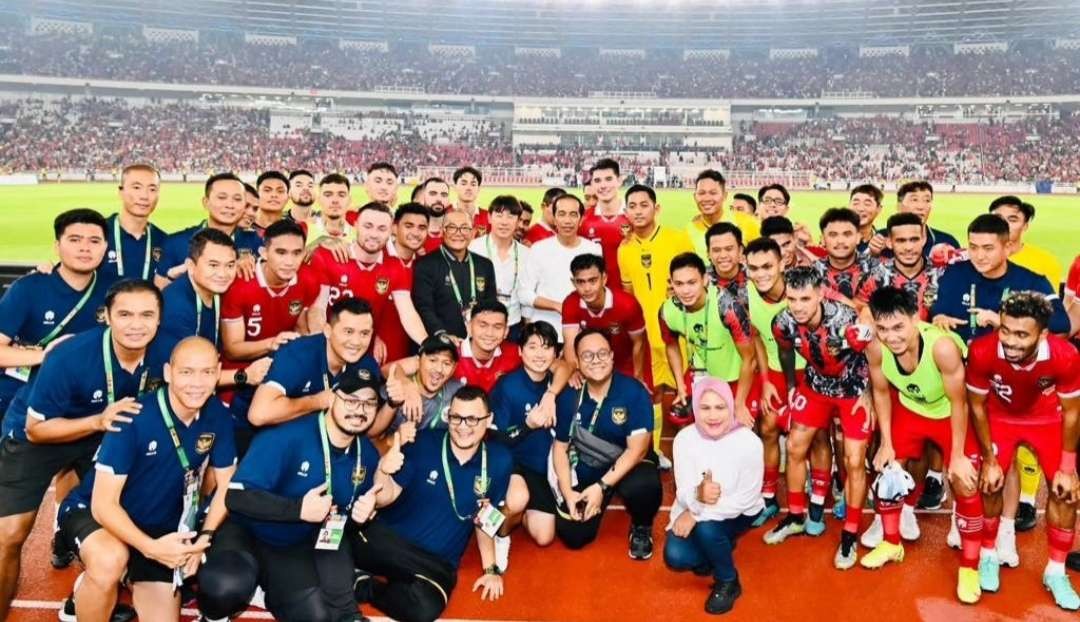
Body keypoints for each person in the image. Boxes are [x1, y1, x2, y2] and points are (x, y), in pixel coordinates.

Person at [0, 280, 160, 620]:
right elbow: (37, 428)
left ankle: (88, 593)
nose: (136, 324)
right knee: (9, 534)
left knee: (131, 514)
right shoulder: (70, 356)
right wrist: (97, 422)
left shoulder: (165, 351)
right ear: (106, 317)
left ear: (160, 319)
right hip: (39, 436)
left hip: (101, 435)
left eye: (147, 314)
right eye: (125, 314)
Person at [57, 337, 235, 622]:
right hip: (98, 515)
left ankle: (122, 577)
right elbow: (103, 505)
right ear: (168, 372)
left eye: (207, 372)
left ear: (218, 372)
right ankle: (99, 584)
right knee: (109, 561)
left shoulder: (219, 417)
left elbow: (226, 484)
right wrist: (151, 549)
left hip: (160, 528)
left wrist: (203, 537)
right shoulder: (133, 418)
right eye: (186, 372)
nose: (197, 383)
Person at [198, 368, 387, 622]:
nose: (359, 409)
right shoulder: (286, 436)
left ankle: (265, 588)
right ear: (331, 398)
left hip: (288, 546)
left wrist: (358, 517)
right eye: (351, 400)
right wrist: (298, 509)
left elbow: (337, 527)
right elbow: (235, 497)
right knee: (224, 586)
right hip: (247, 533)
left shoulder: (367, 456)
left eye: (369, 403)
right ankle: (214, 614)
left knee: (316, 617)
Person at [861, 287, 985, 603]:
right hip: (912, 409)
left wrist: (956, 456)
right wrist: (887, 443)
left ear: (916, 319)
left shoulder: (942, 349)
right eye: (883, 328)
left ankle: (970, 567)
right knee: (888, 472)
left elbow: (960, 404)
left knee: (965, 481)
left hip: (947, 413)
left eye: (899, 326)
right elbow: (881, 393)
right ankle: (892, 543)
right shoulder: (875, 348)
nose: (892, 337)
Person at [349, 386, 513, 622]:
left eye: (473, 419)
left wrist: (491, 569)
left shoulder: (500, 460)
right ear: (448, 416)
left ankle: (365, 586)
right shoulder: (423, 443)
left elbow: (484, 518)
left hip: (436, 562)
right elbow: (385, 497)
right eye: (456, 417)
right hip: (389, 542)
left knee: (425, 610)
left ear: (489, 420)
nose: (463, 426)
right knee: (343, 541)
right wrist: (384, 471)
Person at [967, 292, 1080, 611]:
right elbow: (976, 405)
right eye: (1005, 330)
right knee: (989, 482)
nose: (1010, 342)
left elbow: (1073, 412)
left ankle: (1055, 571)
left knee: (1065, 493)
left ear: (1042, 334)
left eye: (1021, 334)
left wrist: (1068, 468)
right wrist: (989, 460)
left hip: (1046, 418)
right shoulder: (982, 350)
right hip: (1000, 416)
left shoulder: (1065, 355)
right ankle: (988, 554)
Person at [763, 267, 874, 572]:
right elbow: (786, 353)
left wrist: (872, 393)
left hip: (853, 391)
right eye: (792, 298)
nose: (797, 306)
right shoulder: (783, 322)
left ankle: (850, 533)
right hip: (814, 388)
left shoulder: (845, 319)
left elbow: (875, 353)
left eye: (805, 299)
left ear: (821, 294)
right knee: (796, 447)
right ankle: (797, 516)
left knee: (853, 461)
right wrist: (789, 386)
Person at [552, 329, 662, 558]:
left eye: (602, 353)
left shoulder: (633, 392)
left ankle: (641, 527)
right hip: (589, 464)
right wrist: (568, 492)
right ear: (578, 362)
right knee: (573, 535)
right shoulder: (569, 395)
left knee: (644, 486)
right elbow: (560, 448)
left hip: (629, 464)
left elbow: (638, 449)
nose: (596, 361)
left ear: (612, 356)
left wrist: (601, 487)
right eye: (588, 356)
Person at [664, 378, 763, 616]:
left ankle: (728, 581)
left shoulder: (749, 443)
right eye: (705, 408)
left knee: (708, 529)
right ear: (695, 409)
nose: (713, 416)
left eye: (720, 407)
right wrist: (698, 495)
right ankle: (717, 548)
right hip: (696, 508)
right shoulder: (684, 439)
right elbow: (684, 492)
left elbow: (747, 499)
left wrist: (696, 515)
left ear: (731, 407)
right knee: (676, 556)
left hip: (739, 513)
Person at [0, 209, 108, 419]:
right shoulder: (28, 288)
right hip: (20, 397)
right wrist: (47, 357)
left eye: (94, 241)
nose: (85, 248)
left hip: (83, 402)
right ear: (57, 246)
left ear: (105, 247)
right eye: (74, 240)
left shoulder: (115, 290)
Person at [220, 220, 319, 450]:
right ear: (264, 252)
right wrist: (272, 343)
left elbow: (301, 325)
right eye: (280, 252)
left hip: (279, 380)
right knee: (235, 450)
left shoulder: (307, 280)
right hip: (238, 384)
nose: (289, 261)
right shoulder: (241, 284)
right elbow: (232, 348)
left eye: (296, 253)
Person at [617, 184, 695, 454]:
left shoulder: (678, 239)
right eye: (632, 206)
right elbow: (628, 296)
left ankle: (690, 452)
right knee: (654, 394)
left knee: (686, 395)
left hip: (678, 332)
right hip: (645, 336)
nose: (638, 211)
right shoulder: (624, 249)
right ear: (625, 211)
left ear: (656, 208)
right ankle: (655, 451)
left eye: (644, 205)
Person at [305, 201, 427, 360]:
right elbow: (317, 310)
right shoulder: (328, 256)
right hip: (329, 349)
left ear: (391, 231)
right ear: (355, 225)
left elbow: (408, 313)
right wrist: (323, 349)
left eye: (382, 228)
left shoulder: (395, 266)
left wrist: (428, 345)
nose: (374, 234)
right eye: (368, 226)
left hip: (363, 352)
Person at [490, 322, 563, 569]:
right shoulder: (507, 386)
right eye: (532, 347)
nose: (540, 354)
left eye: (546, 347)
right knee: (518, 498)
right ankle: (500, 535)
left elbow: (569, 367)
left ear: (555, 353)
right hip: (510, 463)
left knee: (544, 537)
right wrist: (528, 426)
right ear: (520, 351)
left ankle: (514, 514)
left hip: (540, 468)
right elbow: (494, 438)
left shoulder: (557, 384)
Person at [743, 238, 806, 525]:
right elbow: (755, 336)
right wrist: (766, 380)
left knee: (810, 439)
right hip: (775, 374)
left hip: (808, 375)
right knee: (767, 429)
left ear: (783, 263)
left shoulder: (801, 290)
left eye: (768, 266)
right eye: (754, 268)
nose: (761, 274)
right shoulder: (747, 294)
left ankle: (811, 503)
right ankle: (768, 498)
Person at [932, 213, 1068, 344]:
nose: (979, 256)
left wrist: (1006, 324)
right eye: (973, 247)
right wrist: (939, 318)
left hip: (1010, 360)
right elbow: (938, 311)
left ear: (1007, 248)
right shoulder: (955, 273)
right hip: (958, 360)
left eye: (988, 248)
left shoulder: (1032, 282)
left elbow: (1061, 330)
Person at [248, 297, 383, 427]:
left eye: (364, 333)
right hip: (256, 432)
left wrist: (393, 403)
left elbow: (368, 427)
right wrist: (317, 401)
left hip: (312, 433)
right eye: (348, 332)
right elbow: (258, 414)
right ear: (328, 331)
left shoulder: (367, 366)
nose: (356, 342)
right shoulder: (298, 355)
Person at [659, 253, 756, 427]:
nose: (686, 290)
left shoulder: (727, 306)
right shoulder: (667, 311)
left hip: (733, 377)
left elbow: (750, 358)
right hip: (700, 373)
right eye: (679, 284)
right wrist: (680, 386)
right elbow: (671, 345)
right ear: (671, 283)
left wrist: (740, 403)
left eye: (692, 282)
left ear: (704, 279)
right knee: (678, 416)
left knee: (738, 425)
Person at [151, 229, 248, 382]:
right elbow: (187, 374)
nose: (223, 274)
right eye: (213, 265)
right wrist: (245, 376)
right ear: (190, 265)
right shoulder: (176, 306)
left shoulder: (215, 289)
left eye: (230, 265)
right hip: (175, 389)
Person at [154, 173, 262, 288]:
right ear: (206, 203)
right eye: (222, 197)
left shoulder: (253, 241)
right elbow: (160, 289)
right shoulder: (176, 242)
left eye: (237, 199)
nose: (230, 205)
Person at [517, 194, 602, 337]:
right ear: (555, 218)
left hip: (583, 330)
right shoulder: (539, 249)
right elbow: (524, 293)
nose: (567, 221)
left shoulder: (594, 249)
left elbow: (599, 290)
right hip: (546, 332)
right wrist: (558, 306)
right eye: (561, 214)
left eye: (573, 215)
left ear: (581, 219)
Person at [562, 253, 649, 385]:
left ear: (604, 278)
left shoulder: (627, 304)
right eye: (581, 282)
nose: (587, 288)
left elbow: (639, 343)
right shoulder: (570, 303)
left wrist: (637, 377)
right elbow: (569, 343)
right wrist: (574, 370)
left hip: (626, 361)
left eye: (592, 281)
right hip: (592, 363)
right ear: (573, 282)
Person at [412, 209, 498, 342]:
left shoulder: (485, 265)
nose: (458, 233)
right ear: (442, 231)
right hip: (441, 343)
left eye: (464, 228)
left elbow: (491, 305)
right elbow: (424, 307)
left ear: (473, 232)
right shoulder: (425, 265)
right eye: (451, 227)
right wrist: (441, 335)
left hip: (477, 343)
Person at [470, 195, 529, 341]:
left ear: (518, 221)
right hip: (480, 326)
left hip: (513, 325)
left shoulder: (526, 254)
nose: (504, 222)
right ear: (489, 218)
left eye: (510, 216)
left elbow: (528, 294)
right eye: (499, 215)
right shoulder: (473, 248)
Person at [863, 213, 943, 319]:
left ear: (923, 240)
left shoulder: (942, 273)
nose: (908, 247)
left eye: (914, 240)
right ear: (889, 243)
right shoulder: (877, 276)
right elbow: (860, 305)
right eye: (901, 241)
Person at [99, 164, 167, 287]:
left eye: (152, 189)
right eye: (136, 187)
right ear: (121, 192)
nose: (144, 196)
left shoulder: (164, 241)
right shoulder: (96, 234)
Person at [988, 196, 1062, 301]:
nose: (1003, 224)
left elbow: (1048, 309)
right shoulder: (974, 259)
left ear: (1025, 226)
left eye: (1012, 220)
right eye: (998, 219)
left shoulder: (1045, 262)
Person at [688, 170, 760, 262]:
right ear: (695, 197)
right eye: (701, 193)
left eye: (713, 193)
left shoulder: (747, 222)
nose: (707, 198)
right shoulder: (689, 232)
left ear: (725, 196)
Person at [812, 207, 880, 304]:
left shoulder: (876, 269)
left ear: (858, 237)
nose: (840, 241)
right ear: (822, 239)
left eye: (847, 234)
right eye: (833, 235)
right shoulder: (813, 273)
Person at [579, 158, 629, 288]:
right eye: (597, 181)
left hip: (631, 296)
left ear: (619, 181)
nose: (603, 185)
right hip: (596, 298)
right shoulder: (583, 219)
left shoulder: (634, 216)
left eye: (608, 179)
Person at [454, 300, 521, 393]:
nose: (489, 333)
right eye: (482, 325)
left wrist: (549, 391)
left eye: (497, 327)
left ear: (506, 331)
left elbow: (545, 357)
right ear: (469, 327)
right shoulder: (451, 355)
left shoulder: (515, 353)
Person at [886, 181, 960, 259]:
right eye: (914, 200)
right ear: (899, 206)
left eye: (927, 200)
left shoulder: (947, 242)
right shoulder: (880, 240)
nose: (921, 206)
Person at [705, 222, 749, 309]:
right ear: (708, 254)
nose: (723, 255)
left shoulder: (754, 275)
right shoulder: (700, 281)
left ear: (740, 250)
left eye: (729, 249)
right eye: (716, 250)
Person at [306, 173, 356, 244]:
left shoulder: (360, 234)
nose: (335, 200)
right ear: (319, 200)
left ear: (349, 200)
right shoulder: (304, 232)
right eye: (328, 195)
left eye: (341, 195)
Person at [415, 177, 454, 255]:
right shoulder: (410, 229)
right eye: (433, 193)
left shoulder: (457, 229)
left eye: (444, 195)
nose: (439, 199)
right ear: (423, 197)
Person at [849, 184, 887, 256]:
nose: (860, 209)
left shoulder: (885, 241)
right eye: (855, 203)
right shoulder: (833, 240)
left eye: (867, 204)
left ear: (878, 209)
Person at [452, 166, 488, 236]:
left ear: (479, 188)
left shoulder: (488, 217)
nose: (468, 188)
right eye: (463, 184)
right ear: (455, 187)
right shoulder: (445, 214)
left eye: (473, 184)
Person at [252, 171, 291, 235]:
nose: (274, 195)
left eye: (280, 191)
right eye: (267, 190)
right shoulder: (240, 228)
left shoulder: (294, 230)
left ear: (288, 197)